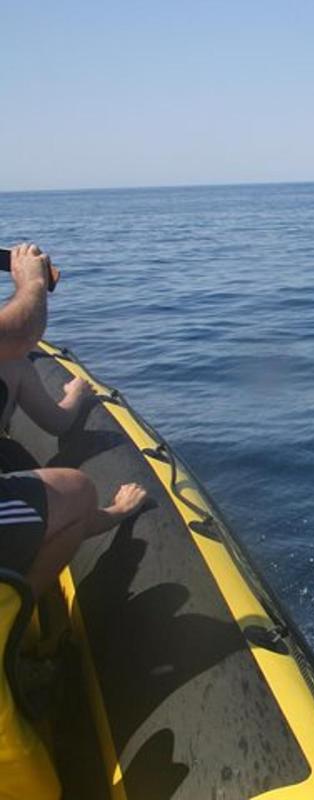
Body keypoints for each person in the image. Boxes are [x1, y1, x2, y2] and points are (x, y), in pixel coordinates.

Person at [0, 242, 146, 598]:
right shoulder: (12, 361)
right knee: (78, 491)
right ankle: (14, 618)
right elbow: (58, 422)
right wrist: (32, 282)